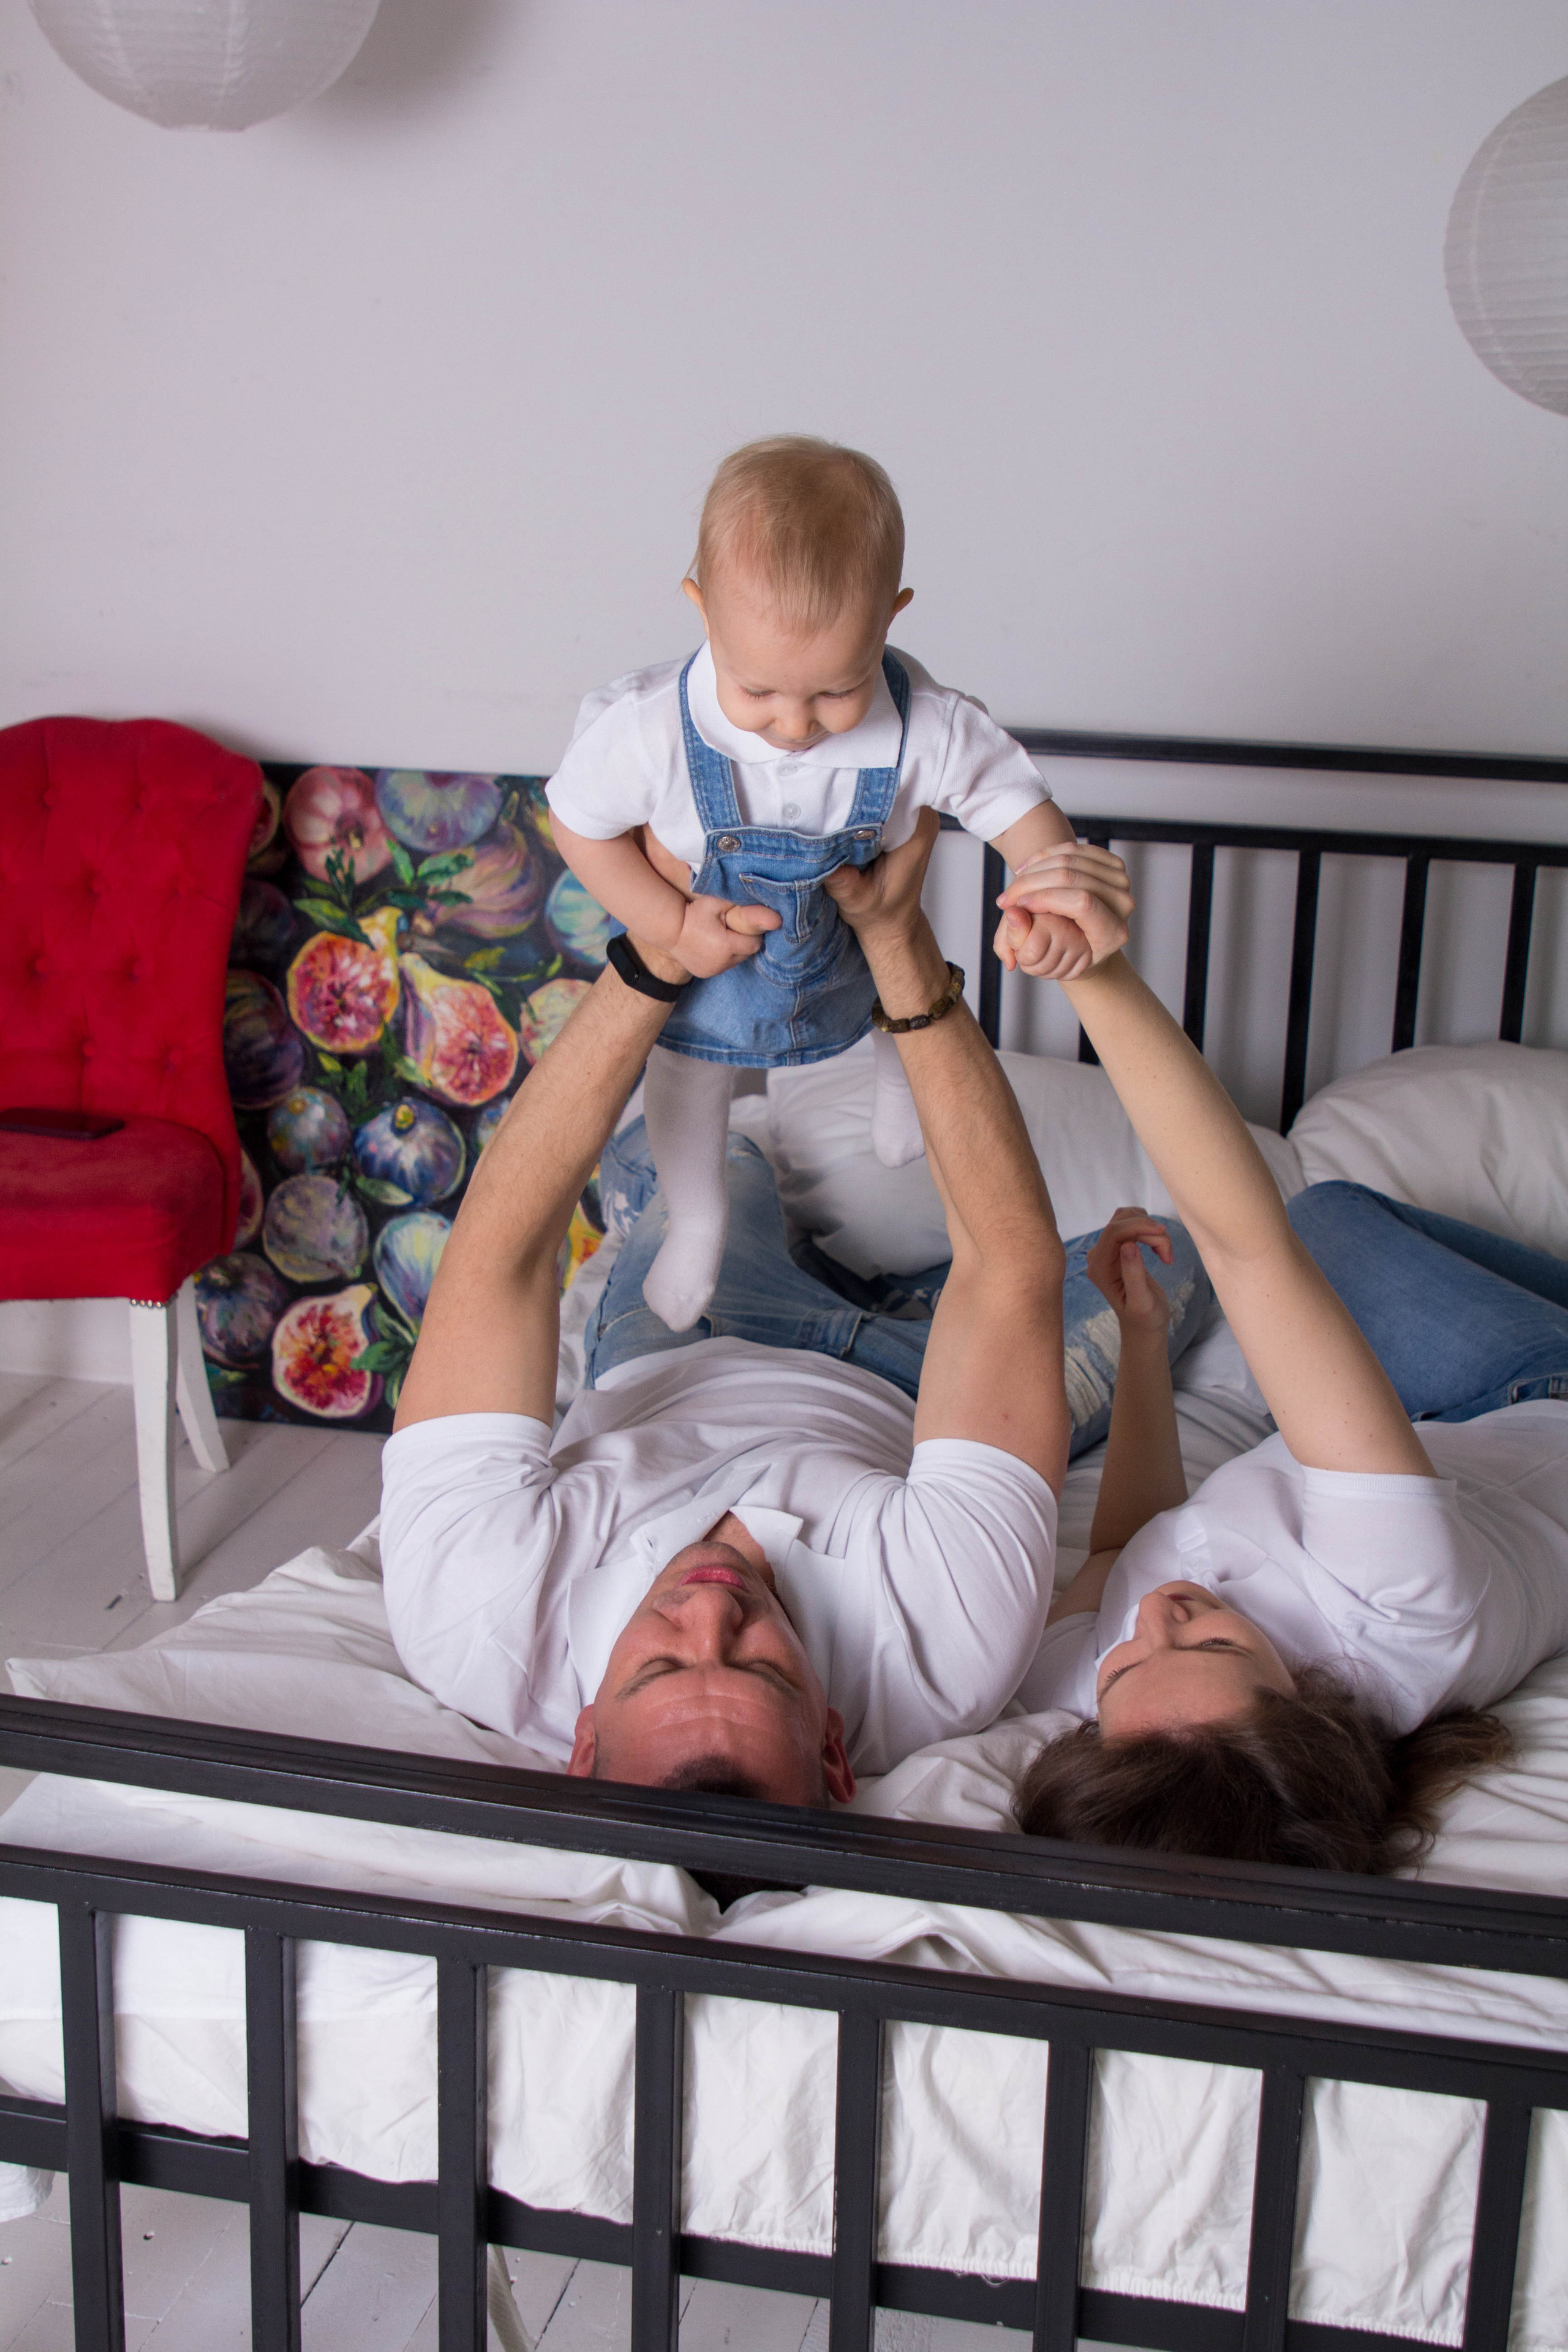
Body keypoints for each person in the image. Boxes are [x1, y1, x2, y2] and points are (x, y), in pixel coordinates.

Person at [378, 815, 1126, 1810]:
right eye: (763, 1667)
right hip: (912, 1399)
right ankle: (883, 1281)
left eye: (658, 1665)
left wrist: (656, 956)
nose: (711, 1617)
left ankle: (726, 1198)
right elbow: (1008, 1272)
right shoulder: (943, 1657)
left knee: (706, 1156)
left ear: (580, 1737)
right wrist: (897, 941)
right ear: (832, 1751)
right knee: (1172, 1250)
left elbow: (497, 1263)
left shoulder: (476, 1617)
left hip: (692, 1344)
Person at [999, 845, 1568, 1873]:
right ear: (1315, 1703)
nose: (1158, 1619)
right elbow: (1248, 1247)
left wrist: (1140, 1344)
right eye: (1214, 1645)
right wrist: (1095, 976)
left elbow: (1124, 1547)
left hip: (1431, 1445)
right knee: (1322, 1223)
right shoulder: (1397, 1600)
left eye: (1128, 1664)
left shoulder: (1095, 1701)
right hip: (1529, 1395)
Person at [544, 435, 1088, 1332]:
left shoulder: (926, 723)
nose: (796, 725)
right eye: (757, 691)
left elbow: (1016, 805)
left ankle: (893, 1086)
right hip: (713, 942)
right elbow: (580, 823)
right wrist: (669, 921)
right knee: (685, 1067)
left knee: (906, 990)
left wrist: (1049, 885)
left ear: (891, 618)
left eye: (837, 691)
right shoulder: (652, 730)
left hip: (855, 941)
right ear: (701, 610)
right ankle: (700, 1217)